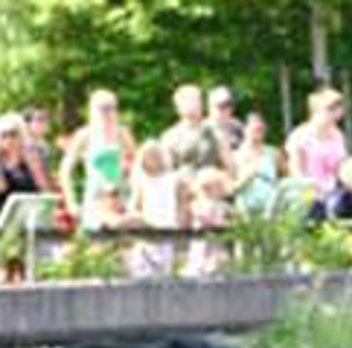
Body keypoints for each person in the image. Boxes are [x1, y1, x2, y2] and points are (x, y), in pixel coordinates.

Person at [59, 89, 139, 232]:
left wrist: (135, 192)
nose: (108, 113)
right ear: (92, 110)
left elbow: (138, 164)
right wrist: (71, 201)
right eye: (103, 108)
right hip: (96, 195)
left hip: (121, 194)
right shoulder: (85, 135)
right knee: (99, 238)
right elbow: (65, 171)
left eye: (112, 108)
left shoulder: (123, 133)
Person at [130, 142, 184, 276]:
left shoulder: (174, 178)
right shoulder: (141, 180)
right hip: (148, 228)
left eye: (156, 155)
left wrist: (181, 221)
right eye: (149, 156)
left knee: (165, 268)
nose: (153, 159)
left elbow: (181, 203)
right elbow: (135, 205)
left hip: (168, 227)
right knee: (142, 268)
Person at [287, 88, 350, 196]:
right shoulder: (299, 136)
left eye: (338, 110)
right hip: (308, 194)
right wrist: (312, 191)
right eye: (330, 109)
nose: (336, 115)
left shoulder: (338, 136)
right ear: (316, 110)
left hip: (335, 193)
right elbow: (296, 171)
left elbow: (342, 166)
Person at [160, 84, 231, 177]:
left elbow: (230, 167)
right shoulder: (169, 137)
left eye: (197, 100)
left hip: (213, 184)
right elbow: (165, 173)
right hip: (185, 186)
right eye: (189, 100)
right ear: (178, 108)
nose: (195, 104)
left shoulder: (215, 131)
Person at [232, 112, 283, 214]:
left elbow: (285, 178)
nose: (259, 133)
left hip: (272, 206)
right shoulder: (235, 156)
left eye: (261, 130)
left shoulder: (274, 153)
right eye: (255, 129)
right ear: (245, 129)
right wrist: (247, 177)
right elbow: (230, 189)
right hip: (246, 207)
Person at [0, 113, 45, 207]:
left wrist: (36, 168)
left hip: (32, 213)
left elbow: (46, 190)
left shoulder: (32, 160)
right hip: (3, 216)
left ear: (21, 135)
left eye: (13, 134)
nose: (9, 139)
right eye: (4, 135)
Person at [22, 107, 61, 196]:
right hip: (31, 193)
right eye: (40, 119)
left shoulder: (44, 145)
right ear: (28, 124)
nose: (45, 122)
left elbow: (47, 172)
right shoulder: (28, 144)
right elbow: (38, 174)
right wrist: (51, 195)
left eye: (47, 119)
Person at [208, 86, 244, 153]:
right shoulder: (204, 129)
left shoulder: (238, 127)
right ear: (210, 107)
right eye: (221, 105)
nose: (226, 109)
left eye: (229, 104)